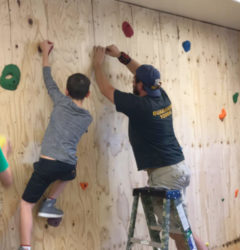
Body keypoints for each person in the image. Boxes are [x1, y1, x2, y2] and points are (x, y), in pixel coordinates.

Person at [93, 45, 208, 250]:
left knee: (179, 232)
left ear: (141, 86)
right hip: (178, 168)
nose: (132, 81)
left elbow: (106, 90)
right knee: (183, 229)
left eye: (135, 81)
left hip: (165, 175)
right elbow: (141, 73)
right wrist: (120, 56)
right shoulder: (161, 96)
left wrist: (97, 65)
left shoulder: (140, 107)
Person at [18, 40, 93, 250]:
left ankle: (25, 247)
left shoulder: (60, 101)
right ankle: (50, 202)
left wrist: (45, 53)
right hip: (66, 166)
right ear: (88, 95)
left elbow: (48, 79)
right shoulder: (88, 118)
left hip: (48, 163)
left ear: (67, 92)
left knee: (25, 204)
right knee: (69, 174)